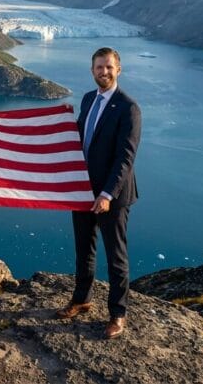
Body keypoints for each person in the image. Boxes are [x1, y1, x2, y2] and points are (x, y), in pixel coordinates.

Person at [57, 47, 141, 340]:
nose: (103, 72)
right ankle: (81, 299)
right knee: (84, 248)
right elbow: (80, 138)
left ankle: (118, 314)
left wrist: (106, 194)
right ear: (91, 70)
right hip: (83, 189)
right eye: (98, 67)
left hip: (112, 196)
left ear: (119, 69)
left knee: (116, 256)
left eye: (108, 67)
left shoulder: (128, 107)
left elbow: (125, 158)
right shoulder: (88, 99)